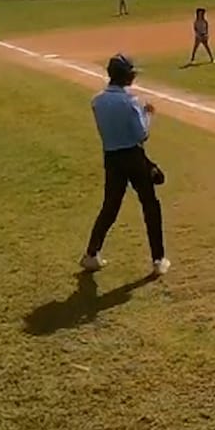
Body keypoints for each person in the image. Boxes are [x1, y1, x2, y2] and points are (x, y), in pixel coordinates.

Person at [80, 54, 170, 277]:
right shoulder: (130, 102)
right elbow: (142, 134)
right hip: (134, 157)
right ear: (127, 76)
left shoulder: (97, 101)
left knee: (110, 207)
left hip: (111, 158)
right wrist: (148, 114)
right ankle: (158, 259)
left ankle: (92, 253)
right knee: (150, 206)